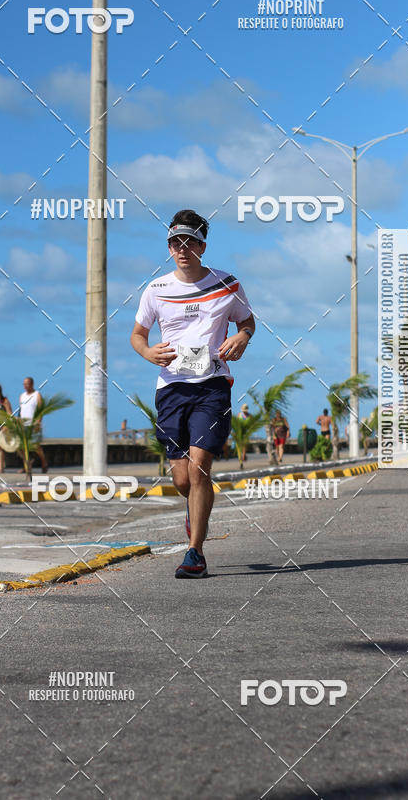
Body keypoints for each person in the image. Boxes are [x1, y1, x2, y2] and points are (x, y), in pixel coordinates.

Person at [130, 209, 254, 578]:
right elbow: (137, 334)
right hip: (171, 389)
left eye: (188, 242)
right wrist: (147, 351)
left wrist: (242, 336)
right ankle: (193, 511)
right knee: (182, 480)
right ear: (168, 247)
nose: (181, 249)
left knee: (200, 469)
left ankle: (195, 553)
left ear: (202, 245)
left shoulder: (227, 283)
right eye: (174, 242)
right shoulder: (156, 290)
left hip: (213, 387)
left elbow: (246, 321)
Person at [19, 377, 48, 473]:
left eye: (27, 384)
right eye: (24, 384)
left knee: (36, 447)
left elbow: (41, 410)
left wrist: (38, 422)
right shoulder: (22, 396)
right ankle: (26, 466)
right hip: (23, 425)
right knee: (21, 447)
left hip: (34, 424)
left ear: (32, 384)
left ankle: (44, 464)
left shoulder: (37, 395)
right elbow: (21, 410)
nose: (25, 386)